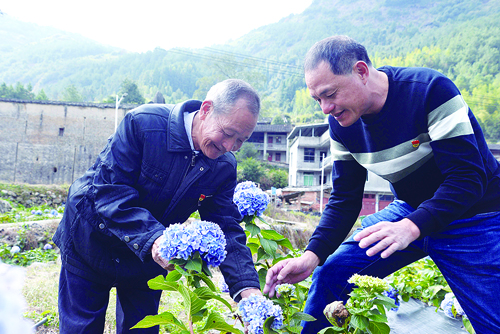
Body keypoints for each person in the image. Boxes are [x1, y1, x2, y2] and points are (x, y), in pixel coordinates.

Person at [263, 35, 500, 333]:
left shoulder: (429, 91)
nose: (325, 108)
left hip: (474, 217)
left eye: (330, 94)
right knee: (332, 273)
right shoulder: (341, 125)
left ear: (361, 72)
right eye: (317, 99)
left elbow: (467, 178)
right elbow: (345, 200)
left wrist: (410, 227)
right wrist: (311, 255)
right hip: (410, 211)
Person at [53, 79, 262, 333]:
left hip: (146, 257)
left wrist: (247, 289)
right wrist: (155, 239)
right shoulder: (143, 125)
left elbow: (227, 228)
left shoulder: (223, 166)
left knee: (141, 328)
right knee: (81, 328)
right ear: (206, 110)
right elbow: (111, 191)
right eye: (228, 134)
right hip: (91, 238)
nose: (230, 147)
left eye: (241, 140)